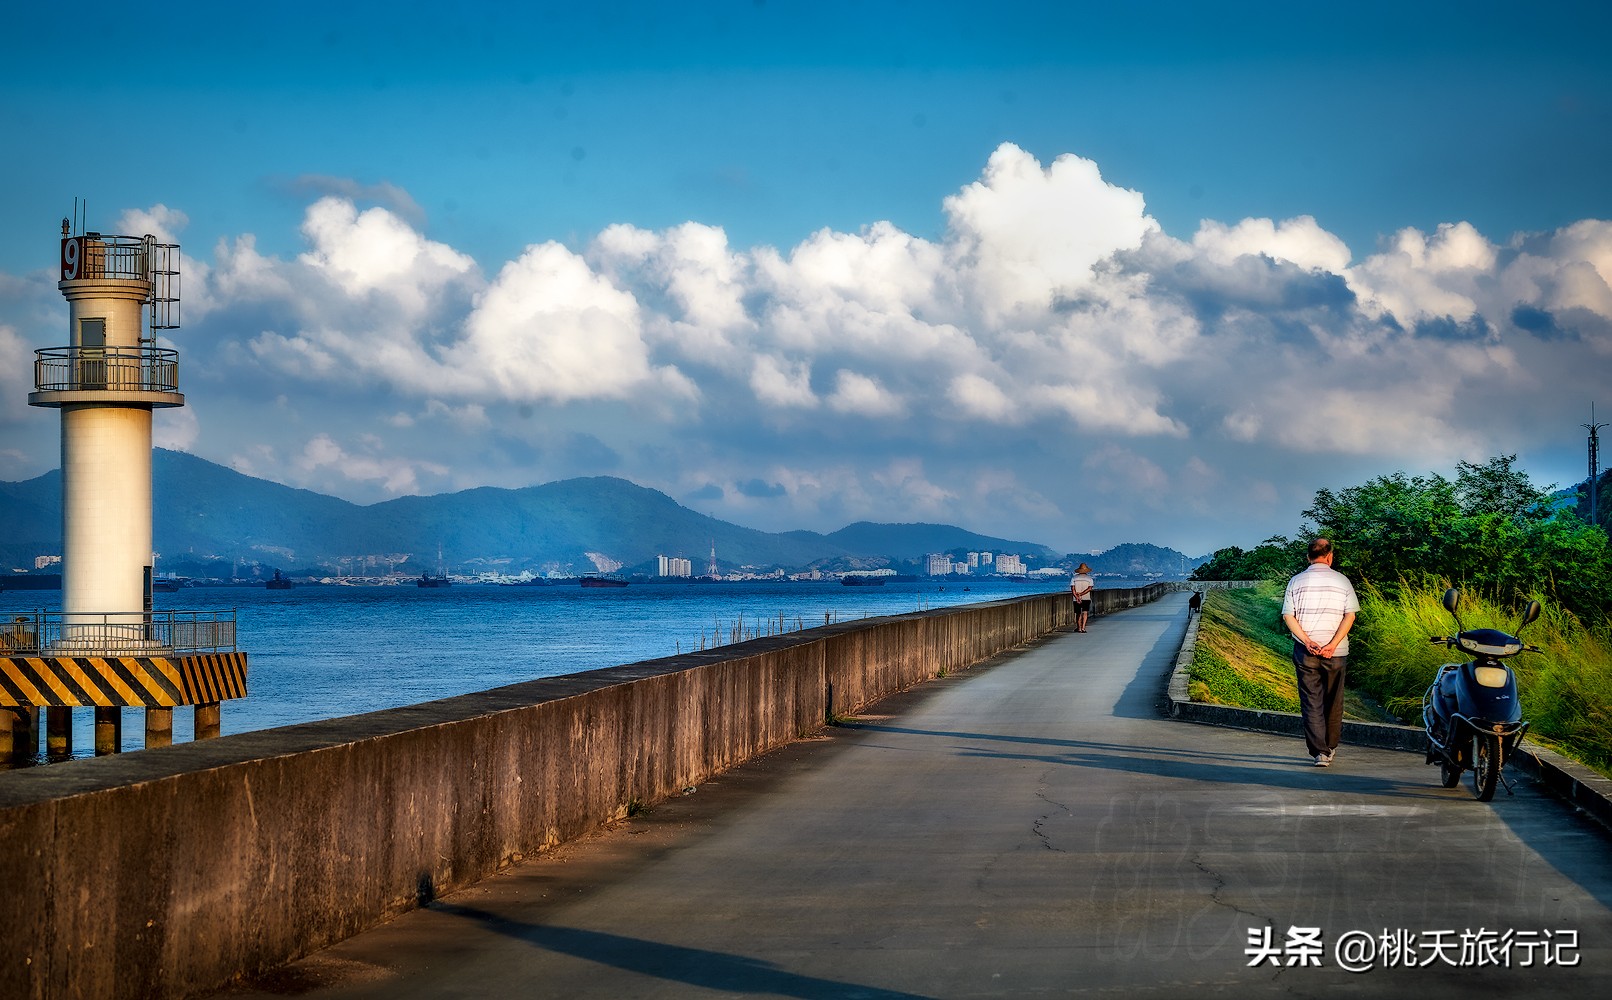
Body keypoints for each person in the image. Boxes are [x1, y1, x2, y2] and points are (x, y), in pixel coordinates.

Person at [1281, 538, 1359, 767]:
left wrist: (1307, 641)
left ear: (1308, 557)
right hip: (1336, 653)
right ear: (1329, 556)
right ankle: (1331, 746)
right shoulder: (1342, 581)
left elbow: (1288, 616)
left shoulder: (1296, 582)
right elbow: (1350, 616)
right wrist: (1333, 644)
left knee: (1311, 701)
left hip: (1306, 652)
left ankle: (1320, 753)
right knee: (1334, 700)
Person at [1070, 563, 1095, 633]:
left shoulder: (1074, 578)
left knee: (1078, 613)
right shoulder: (1089, 579)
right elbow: (1089, 588)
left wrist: (1077, 596)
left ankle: (1079, 628)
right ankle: (1083, 628)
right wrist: (1082, 594)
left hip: (1076, 599)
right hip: (1086, 598)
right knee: (1085, 613)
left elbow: (1072, 589)